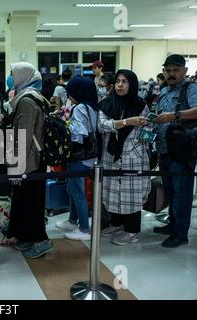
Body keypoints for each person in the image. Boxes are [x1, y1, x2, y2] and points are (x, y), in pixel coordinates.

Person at [6, 62, 54, 258]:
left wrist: (15, 166)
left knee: (32, 202)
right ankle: (26, 236)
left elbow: (23, 138)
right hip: (34, 158)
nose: (10, 77)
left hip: (29, 160)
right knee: (27, 200)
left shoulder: (26, 100)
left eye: (12, 74)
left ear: (22, 76)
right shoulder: (34, 96)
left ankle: (42, 240)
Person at [98, 70, 151, 245]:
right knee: (113, 192)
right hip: (111, 156)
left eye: (125, 81)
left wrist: (146, 129)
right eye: (118, 81)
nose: (120, 85)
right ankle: (117, 223)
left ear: (132, 85)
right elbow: (102, 126)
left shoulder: (140, 105)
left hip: (133, 156)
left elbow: (147, 132)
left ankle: (132, 231)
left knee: (131, 194)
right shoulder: (106, 104)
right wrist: (128, 122)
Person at [153, 54, 197, 248]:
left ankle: (180, 234)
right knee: (170, 192)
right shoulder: (164, 90)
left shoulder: (191, 88)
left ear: (185, 71)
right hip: (164, 150)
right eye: (168, 70)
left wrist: (175, 115)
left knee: (182, 194)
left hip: (182, 151)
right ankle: (172, 225)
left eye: (176, 70)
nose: (171, 74)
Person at [55, 76, 98, 241]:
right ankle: (72, 220)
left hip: (78, 156)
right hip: (88, 156)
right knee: (73, 189)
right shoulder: (92, 107)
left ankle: (84, 229)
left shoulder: (79, 108)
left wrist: (65, 127)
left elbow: (78, 133)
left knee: (77, 191)